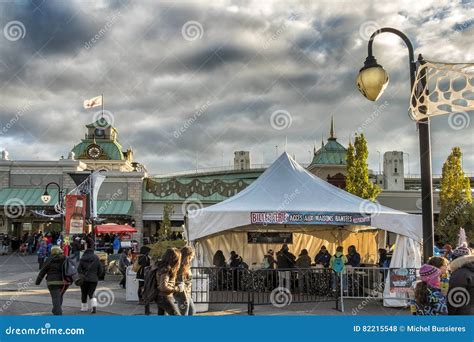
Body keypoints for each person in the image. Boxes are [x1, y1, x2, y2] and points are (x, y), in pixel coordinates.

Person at [35, 246, 71, 315]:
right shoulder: (65, 258)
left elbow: (42, 271)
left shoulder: (49, 260)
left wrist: (38, 282)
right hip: (65, 282)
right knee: (59, 296)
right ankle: (56, 310)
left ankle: (58, 314)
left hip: (52, 282)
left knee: (55, 298)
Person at [155, 248, 184, 315]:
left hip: (160, 296)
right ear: (175, 259)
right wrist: (177, 289)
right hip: (165, 297)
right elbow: (163, 287)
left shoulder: (161, 266)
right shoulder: (166, 269)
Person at [78, 244, 104, 313]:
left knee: (84, 293)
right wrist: (97, 276)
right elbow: (101, 270)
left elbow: (78, 270)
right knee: (91, 293)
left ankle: (84, 308)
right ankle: (94, 307)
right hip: (93, 279)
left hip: (84, 280)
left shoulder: (82, 258)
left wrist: (81, 275)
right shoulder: (96, 258)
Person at [447, 245, 473, 315]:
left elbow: (454, 298)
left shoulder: (460, 273)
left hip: (463, 313)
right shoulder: (470, 270)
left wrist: (449, 314)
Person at [175, 246, 196, 316]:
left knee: (191, 312)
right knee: (185, 313)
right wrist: (185, 298)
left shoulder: (186, 266)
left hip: (186, 293)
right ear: (188, 256)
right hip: (182, 295)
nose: (193, 258)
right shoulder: (181, 267)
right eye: (192, 256)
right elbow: (180, 283)